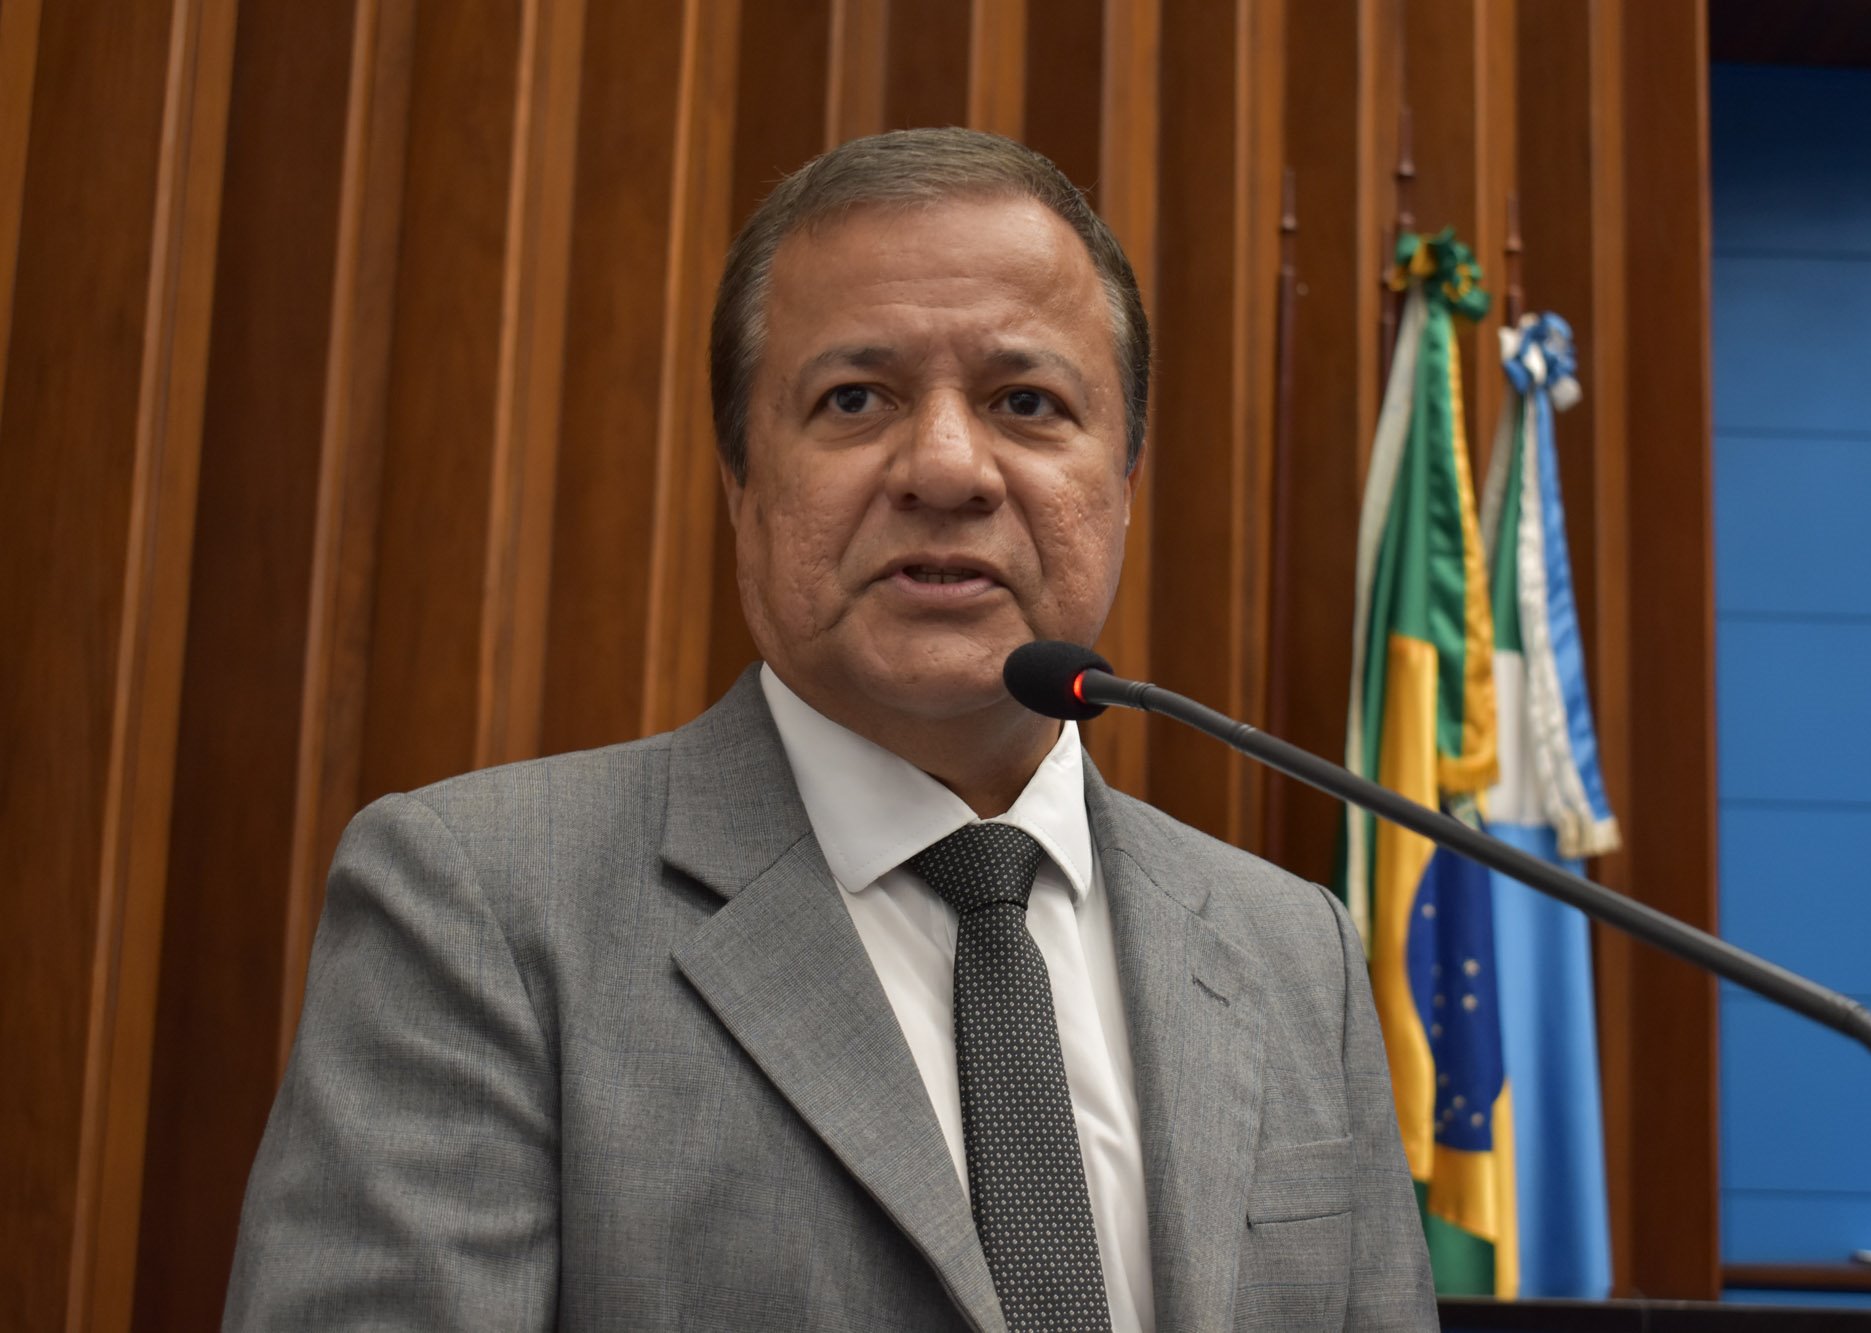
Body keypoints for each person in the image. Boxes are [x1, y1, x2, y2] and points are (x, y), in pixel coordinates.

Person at [225, 128, 1436, 1331]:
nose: (947, 469)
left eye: (1025, 402)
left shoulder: (1292, 953)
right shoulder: (483, 904)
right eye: (855, 399)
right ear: (740, 482)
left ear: (1121, 482)